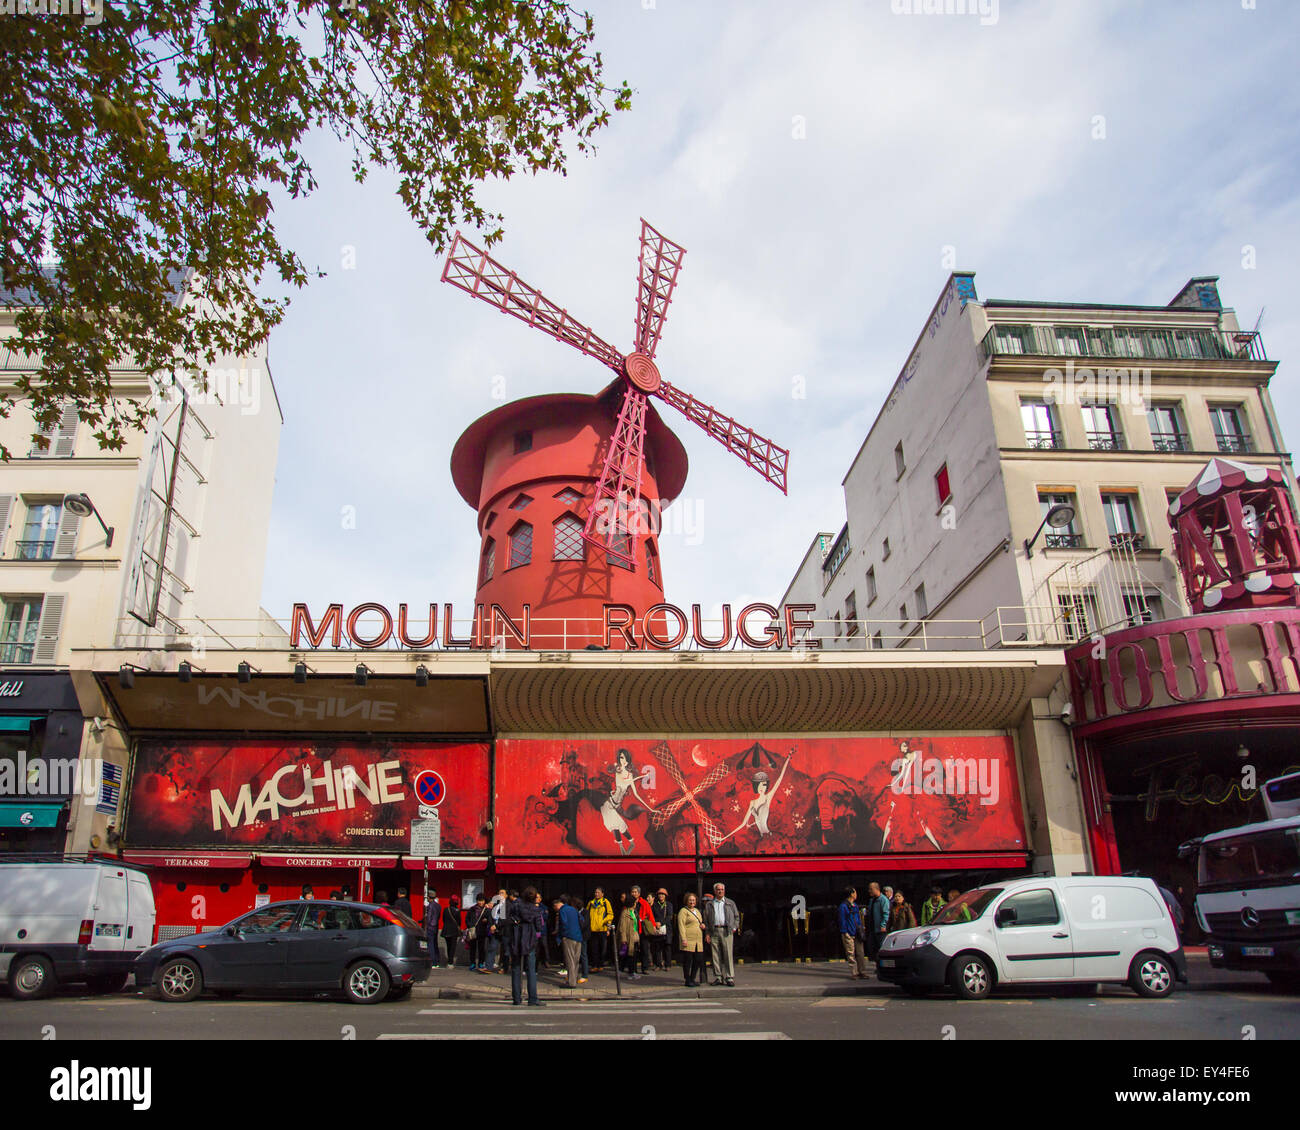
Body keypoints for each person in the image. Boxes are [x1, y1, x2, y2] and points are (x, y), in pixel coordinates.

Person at [508, 885, 547, 1007]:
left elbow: (509, 917)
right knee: (531, 970)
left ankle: (516, 998)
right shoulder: (535, 910)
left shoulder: (516, 905)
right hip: (529, 939)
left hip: (516, 937)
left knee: (515, 968)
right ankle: (532, 998)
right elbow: (539, 927)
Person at [703, 882, 739, 986]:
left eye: (722, 889)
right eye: (718, 889)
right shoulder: (710, 904)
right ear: (715, 891)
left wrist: (734, 927)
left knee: (728, 954)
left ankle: (729, 977)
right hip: (714, 930)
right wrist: (707, 933)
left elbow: (736, 916)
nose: (720, 891)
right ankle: (718, 977)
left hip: (726, 930)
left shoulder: (730, 903)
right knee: (715, 954)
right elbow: (706, 920)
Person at [554, 895, 586, 988]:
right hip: (578, 936)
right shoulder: (574, 909)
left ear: (559, 903)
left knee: (570, 960)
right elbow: (582, 920)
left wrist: (560, 937)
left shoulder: (563, 910)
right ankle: (574, 979)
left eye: (555, 906)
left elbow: (563, 923)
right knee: (575, 960)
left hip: (568, 937)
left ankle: (571, 983)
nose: (555, 908)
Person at [837, 886, 869, 979]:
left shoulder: (855, 905)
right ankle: (854, 972)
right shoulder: (843, 906)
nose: (856, 894)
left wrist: (861, 927)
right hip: (848, 933)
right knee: (851, 953)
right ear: (851, 894)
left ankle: (862, 971)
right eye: (855, 892)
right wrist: (844, 932)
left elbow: (858, 919)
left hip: (857, 932)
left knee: (860, 953)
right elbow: (842, 920)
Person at [677, 891, 705, 986]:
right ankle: (687, 979)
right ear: (686, 901)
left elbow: (700, 922)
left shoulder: (697, 911)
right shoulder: (683, 911)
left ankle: (693, 978)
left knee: (698, 959)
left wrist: (703, 925)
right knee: (688, 960)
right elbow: (681, 926)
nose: (692, 902)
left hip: (698, 940)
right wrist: (683, 939)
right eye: (690, 900)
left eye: (693, 900)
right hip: (689, 939)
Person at [585, 887, 613, 972]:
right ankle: (594, 965)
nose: (596, 894)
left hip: (602, 929)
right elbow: (586, 914)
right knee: (594, 949)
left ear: (602, 894)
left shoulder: (605, 902)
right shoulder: (591, 903)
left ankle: (601, 964)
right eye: (595, 892)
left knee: (602, 949)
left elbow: (610, 914)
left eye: (598, 892)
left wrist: (604, 922)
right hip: (593, 930)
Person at [630, 884, 656, 974]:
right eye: (632, 892)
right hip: (633, 929)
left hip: (643, 928)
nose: (634, 893)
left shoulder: (644, 903)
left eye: (635, 892)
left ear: (639, 893)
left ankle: (644, 967)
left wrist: (653, 925)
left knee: (645, 948)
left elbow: (650, 915)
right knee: (634, 949)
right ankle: (633, 968)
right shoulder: (629, 903)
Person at [617, 892, 641, 979]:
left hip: (634, 936)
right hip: (627, 938)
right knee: (627, 955)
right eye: (634, 903)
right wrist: (623, 939)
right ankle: (629, 972)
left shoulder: (634, 912)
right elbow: (622, 927)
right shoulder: (625, 913)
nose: (635, 904)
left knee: (632, 955)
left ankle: (630, 972)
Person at [466, 892, 492, 972]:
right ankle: (472, 963)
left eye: (482, 900)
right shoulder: (472, 909)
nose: (480, 902)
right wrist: (470, 926)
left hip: (482, 931)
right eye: (479, 900)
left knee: (481, 948)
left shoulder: (487, 910)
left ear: (484, 901)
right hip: (473, 931)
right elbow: (467, 919)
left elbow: (490, 920)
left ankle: (481, 962)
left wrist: (487, 920)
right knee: (472, 948)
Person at [865, 882, 890, 961]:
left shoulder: (883, 900)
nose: (869, 891)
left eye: (871, 889)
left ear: (876, 889)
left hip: (880, 930)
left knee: (881, 948)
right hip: (872, 929)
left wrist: (883, 925)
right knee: (872, 949)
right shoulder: (872, 900)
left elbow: (886, 913)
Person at [651, 889, 674, 970]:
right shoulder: (654, 905)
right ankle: (658, 964)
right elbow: (652, 916)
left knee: (667, 947)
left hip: (667, 928)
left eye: (663, 894)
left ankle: (668, 965)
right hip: (657, 928)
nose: (661, 896)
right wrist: (655, 923)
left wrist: (661, 922)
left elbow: (669, 916)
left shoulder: (669, 905)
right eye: (660, 894)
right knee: (657, 948)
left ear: (665, 896)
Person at [486, 888, 508, 973]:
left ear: (506, 895)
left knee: (505, 950)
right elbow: (491, 916)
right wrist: (492, 925)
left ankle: (504, 967)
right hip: (495, 930)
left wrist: (496, 926)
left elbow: (504, 919)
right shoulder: (495, 905)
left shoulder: (507, 905)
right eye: (499, 893)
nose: (500, 895)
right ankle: (488, 967)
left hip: (504, 930)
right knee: (492, 947)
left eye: (502, 893)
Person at [441, 895, 462, 968]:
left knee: (448, 946)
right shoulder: (457, 911)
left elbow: (443, 920)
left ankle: (449, 960)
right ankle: (450, 962)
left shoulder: (446, 910)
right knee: (453, 946)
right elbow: (459, 922)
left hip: (446, 930)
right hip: (454, 931)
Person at [424, 889, 444, 967]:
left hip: (430, 927)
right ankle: (436, 960)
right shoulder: (438, 906)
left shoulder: (430, 906)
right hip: (436, 926)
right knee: (435, 944)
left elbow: (429, 917)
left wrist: (426, 924)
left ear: (429, 897)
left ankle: (432, 961)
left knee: (430, 944)